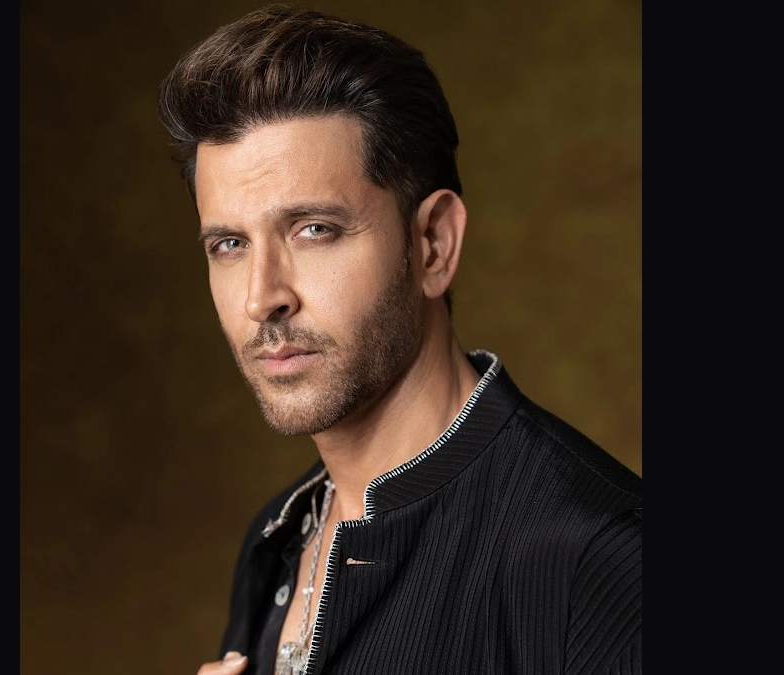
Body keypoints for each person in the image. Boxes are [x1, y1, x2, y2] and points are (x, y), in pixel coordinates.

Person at [157, 6, 641, 675]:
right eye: (230, 244)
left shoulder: (603, 563)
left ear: (434, 244)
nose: (261, 297)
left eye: (315, 229)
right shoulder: (277, 540)